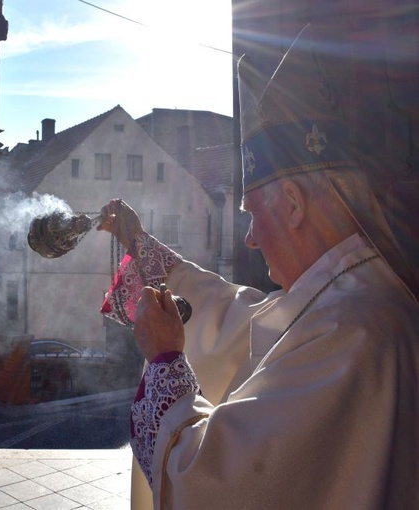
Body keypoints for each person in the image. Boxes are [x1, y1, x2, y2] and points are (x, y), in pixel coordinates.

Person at [96, 25, 419, 510]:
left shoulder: (349, 331)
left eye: (251, 212)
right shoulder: (349, 296)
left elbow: (206, 482)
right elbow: (244, 314)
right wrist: (142, 249)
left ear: (292, 204)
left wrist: (165, 361)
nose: (248, 236)